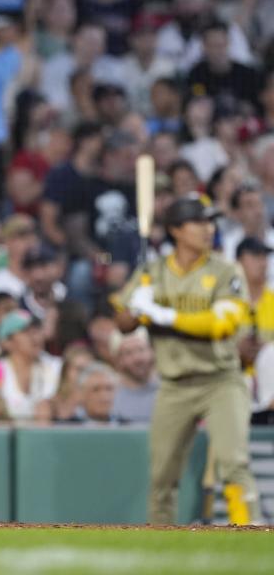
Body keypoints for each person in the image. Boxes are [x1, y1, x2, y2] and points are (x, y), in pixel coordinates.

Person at [113, 195, 260, 525]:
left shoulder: (225, 270)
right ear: (177, 230)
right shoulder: (152, 272)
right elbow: (121, 325)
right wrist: (135, 309)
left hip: (220, 381)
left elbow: (221, 325)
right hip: (173, 385)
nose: (209, 229)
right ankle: (160, 544)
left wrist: (162, 314)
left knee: (234, 463)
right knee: (162, 475)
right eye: (200, 222)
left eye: (211, 222)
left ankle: (251, 533)